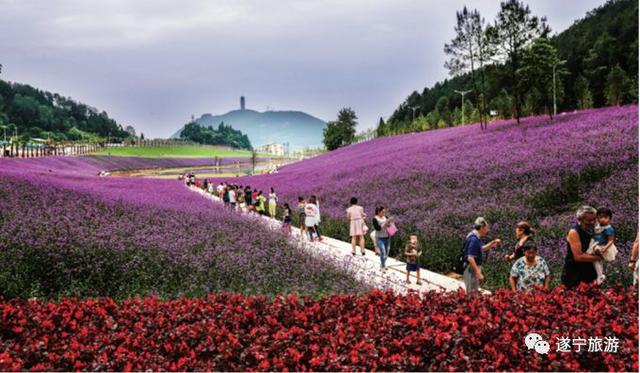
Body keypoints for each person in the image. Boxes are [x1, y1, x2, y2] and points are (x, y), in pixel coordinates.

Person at [561, 206, 603, 288]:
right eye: (589, 220)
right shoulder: (574, 232)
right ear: (580, 219)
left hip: (590, 272)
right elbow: (578, 257)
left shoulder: (594, 230)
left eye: (594, 219)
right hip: (575, 274)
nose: (592, 222)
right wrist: (599, 258)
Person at [462, 217, 502, 295]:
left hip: (471, 269)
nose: (487, 230)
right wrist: (478, 273)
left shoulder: (474, 236)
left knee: (473, 292)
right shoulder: (474, 239)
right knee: (472, 293)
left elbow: (481, 248)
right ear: (481, 228)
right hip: (471, 270)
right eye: (486, 228)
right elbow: (470, 257)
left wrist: (492, 243)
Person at [586, 207, 617, 284]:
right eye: (600, 217)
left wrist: (605, 248)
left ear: (610, 219)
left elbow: (611, 240)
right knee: (595, 260)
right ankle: (600, 275)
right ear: (597, 218)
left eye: (605, 217)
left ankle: (600, 275)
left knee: (597, 257)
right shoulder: (597, 226)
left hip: (603, 246)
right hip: (595, 244)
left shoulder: (609, 229)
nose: (603, 219)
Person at [373, 206, 393, 272]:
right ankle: (383, 267)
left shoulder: (385, 217)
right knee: (383, 252)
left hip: (387, 237)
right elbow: (377, 228)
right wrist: (385, 223)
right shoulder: (375, 219)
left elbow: (389, 226)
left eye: (385, 212)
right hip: (379, 238)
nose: (384, 213)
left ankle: (383, 264)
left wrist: (390, 223)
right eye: (383, 212)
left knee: (387, 253)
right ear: (379, 212)